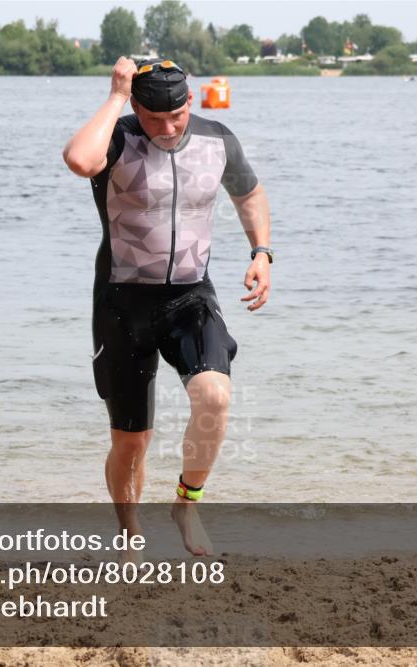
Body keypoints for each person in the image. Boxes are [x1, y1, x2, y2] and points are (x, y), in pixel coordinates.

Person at [62, 57, 273, 557]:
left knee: (215, 397)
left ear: (190, 101)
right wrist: (114, 98)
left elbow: (249, 193)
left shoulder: (217, 139)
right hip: (121, 300)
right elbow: (79, 161)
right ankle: (130, 532)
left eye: (176, 116)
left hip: (189, 296)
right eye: (154, 119)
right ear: (136, 106)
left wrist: (261, 251)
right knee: (132, 442)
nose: (167, 128)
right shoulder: (117, 136)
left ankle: (186, 503)